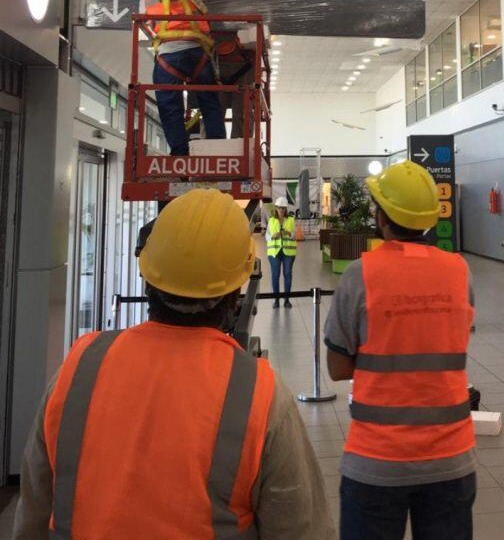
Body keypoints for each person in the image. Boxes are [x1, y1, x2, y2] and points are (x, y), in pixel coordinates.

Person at [12, 189, 334, 540]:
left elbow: (32, 514)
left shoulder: (77, 369)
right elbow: (301, 529)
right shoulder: (259, 396)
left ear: (148, 275)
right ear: (235, 292)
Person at [324, 161, 476, 540]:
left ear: (381, 216)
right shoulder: (460, 271)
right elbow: (452, 341)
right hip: (452, 458)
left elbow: (337, 367)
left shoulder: (361, 274)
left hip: (376, 460)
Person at [122, 0, 226, 156]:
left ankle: (180, 153)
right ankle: (218, 150)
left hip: (167, 52)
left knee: (170, 107)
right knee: (210, 102)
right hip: (196, 47)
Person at [267, 196, 296, 308]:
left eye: (283, 208)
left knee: (287, 274)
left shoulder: (291, 220)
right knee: (275, 275)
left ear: (286, 209)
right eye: (279, 208)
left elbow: (294, 235)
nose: (281, 210)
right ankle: (276, 300)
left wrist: (289, 234)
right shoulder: (271, 220)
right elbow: (267, 236)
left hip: (288, 252)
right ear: (276, 208)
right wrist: (273, 236)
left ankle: (287, 300)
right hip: (274, 252)